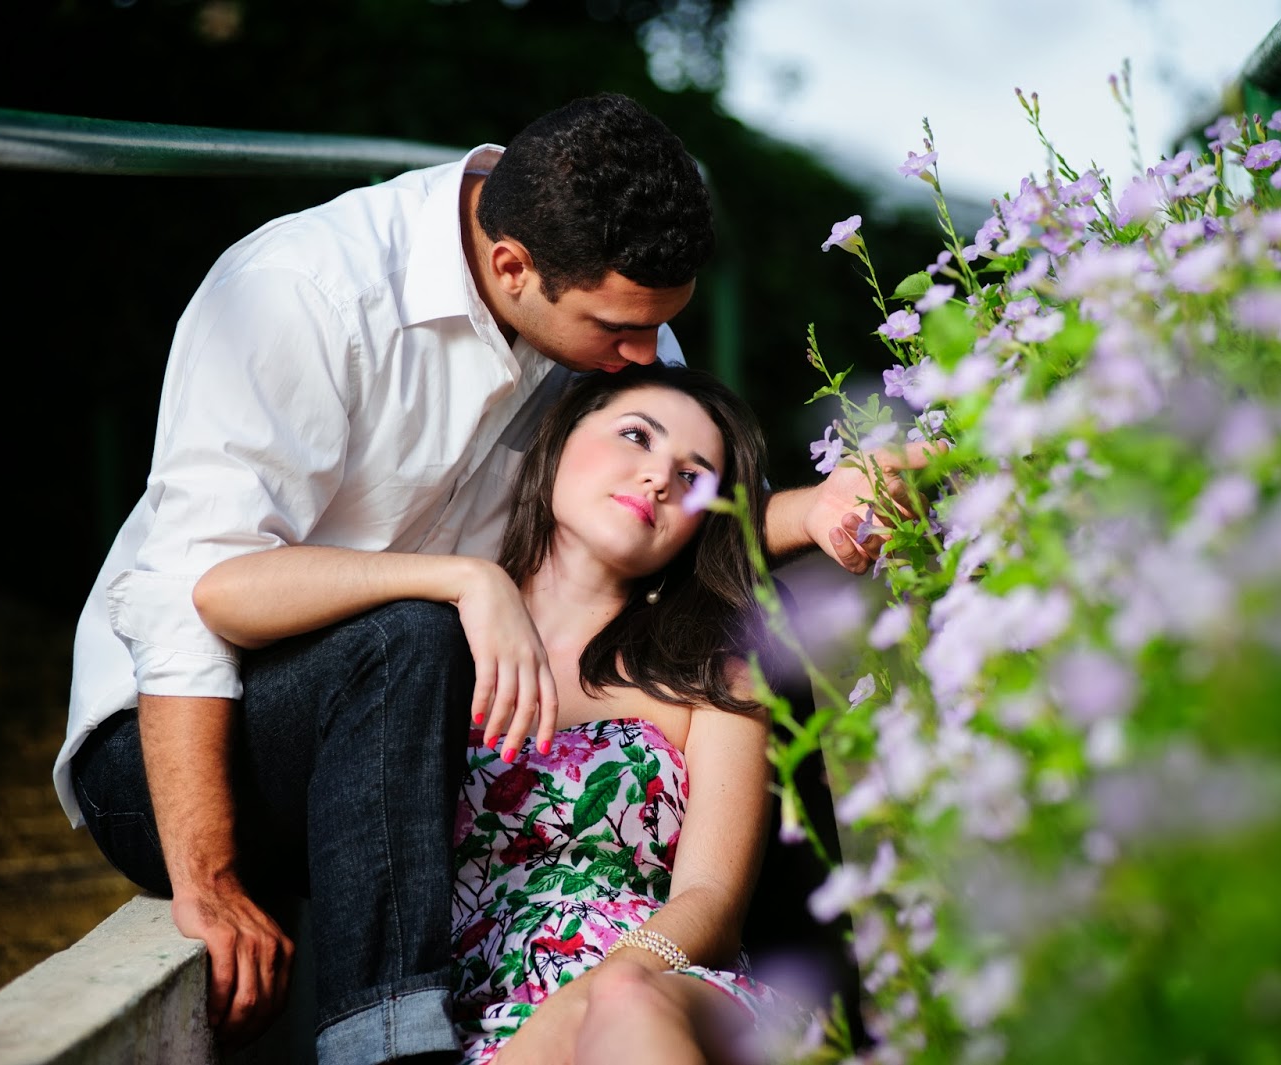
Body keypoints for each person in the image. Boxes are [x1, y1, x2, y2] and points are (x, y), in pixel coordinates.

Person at [55, 92, 894, 1063]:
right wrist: (206, 878)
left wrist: (818, 509)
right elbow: (188, 599)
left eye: (658, 332)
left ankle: (831, 1015)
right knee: (411, 630)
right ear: (511, 266)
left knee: (757, 642)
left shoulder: (605, 329)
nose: (643, 359)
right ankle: (387, 1046)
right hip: (185, 753)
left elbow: (656, 514)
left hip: (410, 759)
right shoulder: (303, 291)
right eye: (618, 330)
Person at [194, 362, 795, 1063]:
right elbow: (220, 593)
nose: (659, 477)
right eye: (637, 436)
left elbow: (712, 901)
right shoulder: (420, 652)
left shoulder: (716, 676)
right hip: (467, 1012)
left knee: (626, 1010)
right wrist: (460, 577)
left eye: (693, 477)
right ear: (562, 435)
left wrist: (604, 983)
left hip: (662, 979)